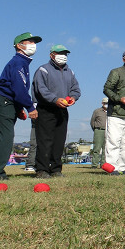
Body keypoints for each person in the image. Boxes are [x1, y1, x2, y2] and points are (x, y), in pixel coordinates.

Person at [0, 33, 41, 181]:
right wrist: (30, 107)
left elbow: (17, 89)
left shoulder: (22, 62)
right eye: (30, 42)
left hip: (6, 101)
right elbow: (19, 89)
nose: (33, 44)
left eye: (34, 42)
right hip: (4, 101)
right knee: (5, 138)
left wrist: (19, 108)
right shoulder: (19, 62)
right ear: (19, 46)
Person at [32, 44, 81, 178]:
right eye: (60, 53)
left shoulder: (69, 72)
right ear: (51, 55)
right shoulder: (43, 70)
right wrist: (54, 99)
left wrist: (73, 97)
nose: (63, 56)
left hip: (62, 110)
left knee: (59, 141)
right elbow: (40, 89)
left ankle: (56, 169)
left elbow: (76, 89)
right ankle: (42, 169)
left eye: (65, 53)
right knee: (45, 140)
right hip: (46, 109)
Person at [90, 98, 108, 167]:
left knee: (105, 149)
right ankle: (94, 164)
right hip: (98, 130)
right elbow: (92, 122)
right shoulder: (97, 111)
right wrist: (95, 129)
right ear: (102, 103)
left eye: (107, 103)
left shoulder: (111, 111)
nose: (106, 104)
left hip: (107, 131)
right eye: (105, 103)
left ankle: (103, 164)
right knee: (97, 148)